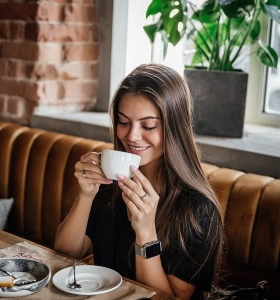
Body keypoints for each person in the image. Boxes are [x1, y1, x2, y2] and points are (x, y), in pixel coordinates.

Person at [54, 63, 224, 300]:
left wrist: (145, 233)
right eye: (124, 122)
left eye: (148, 125)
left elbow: (171, 298)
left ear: (174, 129)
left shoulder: (197, 209)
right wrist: (86, 194)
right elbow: (66, 252)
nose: (131, 136)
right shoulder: (113, 182)